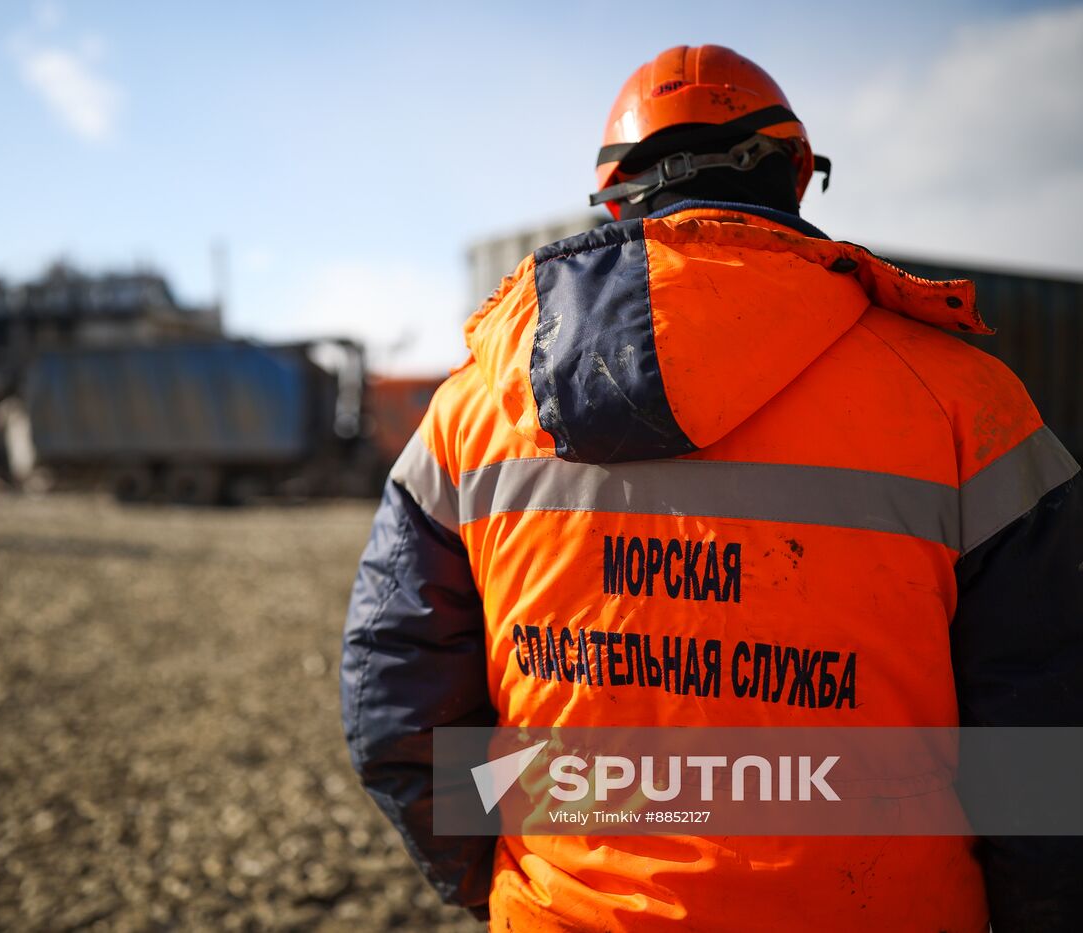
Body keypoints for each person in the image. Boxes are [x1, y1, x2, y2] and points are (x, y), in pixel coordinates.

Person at [340, 45, 1082, 931]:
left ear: (615, 199)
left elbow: (394, 700)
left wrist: (508, 870)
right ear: (797, 178)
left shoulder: (472, 410)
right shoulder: (967, 400)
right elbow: (1046, 716)